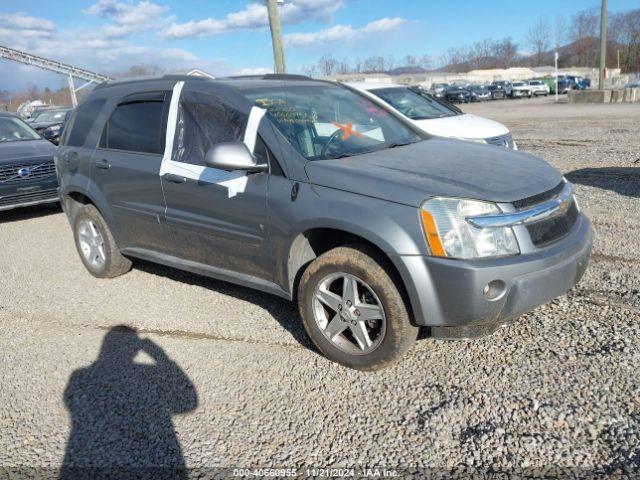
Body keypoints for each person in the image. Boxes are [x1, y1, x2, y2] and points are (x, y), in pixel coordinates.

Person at [60, 326, 198, 479]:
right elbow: (187, 403)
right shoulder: (148, 372)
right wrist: (161, 356)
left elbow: (71, 401)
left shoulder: (80, 376)